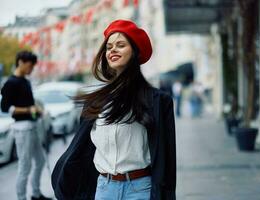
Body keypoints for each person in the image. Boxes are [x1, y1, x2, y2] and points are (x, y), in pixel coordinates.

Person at [51, 19, 176, 200]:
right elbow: (82, 150)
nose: (112, 50)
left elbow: (167, 159)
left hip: (141, 189)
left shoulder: (157, 101)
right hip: (104, 188)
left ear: (134, 51)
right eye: (109, 47)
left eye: (120, 45)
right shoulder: (95, 102)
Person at [0, 51, 52, 200]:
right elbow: (5, 107)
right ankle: (21, 197)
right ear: (21, 62)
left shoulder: (26, 81)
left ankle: (35, 194)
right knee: (25, 166)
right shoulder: (10, 83)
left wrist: (37, 108)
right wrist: (29, 109)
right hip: (21, 128)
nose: (31, 69)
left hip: (33, 125)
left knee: (40, 160)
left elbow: (29, 102)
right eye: (30, 66)